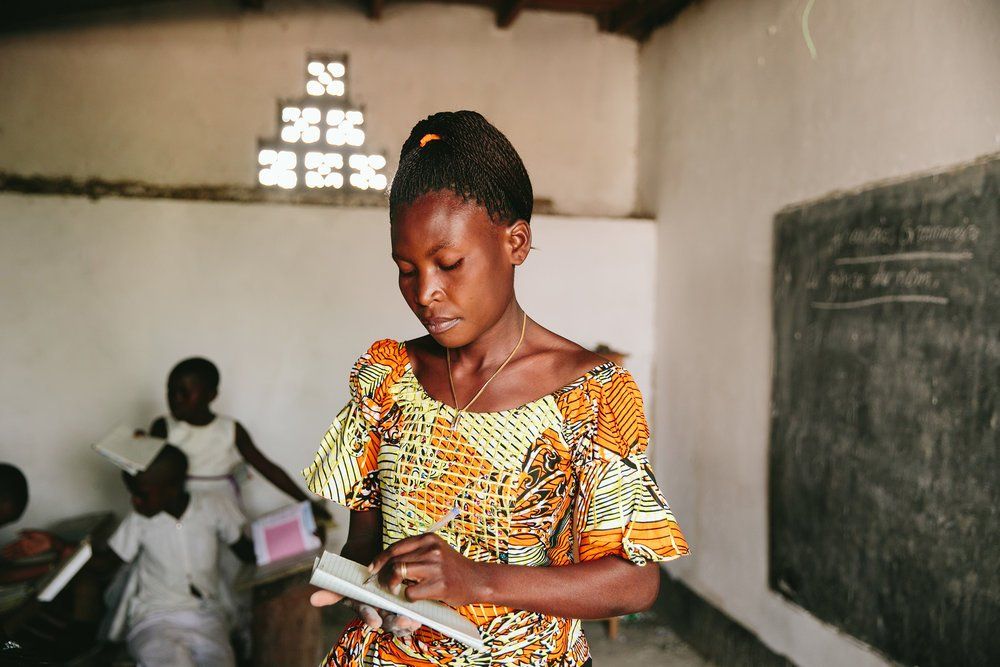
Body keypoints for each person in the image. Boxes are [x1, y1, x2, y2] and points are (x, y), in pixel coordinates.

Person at [304, 111, 690, 666]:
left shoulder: (593, 394)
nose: (426, 292)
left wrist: (475, 581)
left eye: (449, 263)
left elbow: (635, 583)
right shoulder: (386, 376)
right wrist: (373, 590)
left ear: (516, 241)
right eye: (406, 268)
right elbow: (365, 539)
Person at [97, 444, 253, 667]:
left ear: (172, 488)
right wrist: (66, 550)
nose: (134, 502)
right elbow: (105, 564)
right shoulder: (138, 521)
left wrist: (298, 533)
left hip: (207, 617)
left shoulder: (212, 506)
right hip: (153, 619)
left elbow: (247, 553)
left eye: (141, 495)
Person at [149, 357, 330, 522]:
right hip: (182, 511)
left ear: (211, 395)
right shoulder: (163, 427)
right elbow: (148, 471)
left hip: (225, 510)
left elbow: (267, 468)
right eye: (171, 391)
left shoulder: (230, 429)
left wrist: (307, 502)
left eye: (184, 392)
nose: (175, 399)